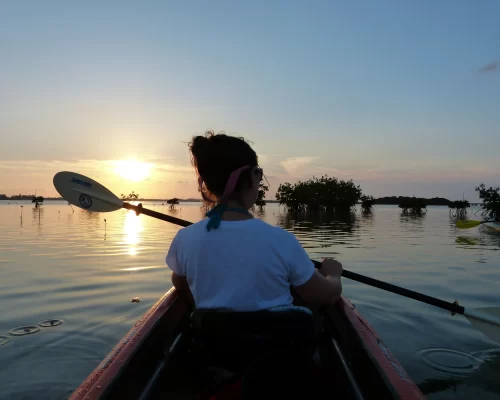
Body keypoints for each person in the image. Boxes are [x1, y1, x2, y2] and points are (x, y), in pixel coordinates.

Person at [165, 131, 342, 311]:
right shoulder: (282, 241)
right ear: (251, 176)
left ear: (207, 184)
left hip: (213, 338)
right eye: (259, 173)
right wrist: (333, 274)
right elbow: (327, 295)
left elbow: (179, 282)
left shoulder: (185, 239)